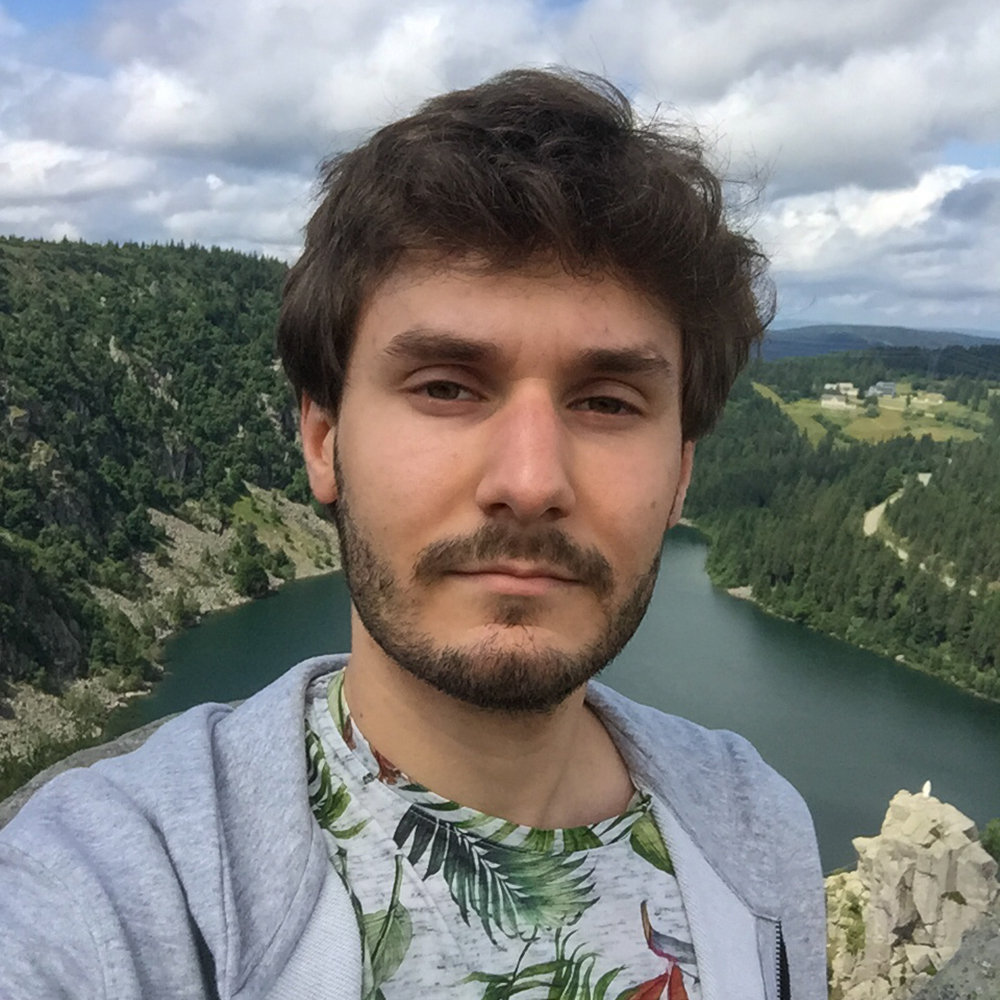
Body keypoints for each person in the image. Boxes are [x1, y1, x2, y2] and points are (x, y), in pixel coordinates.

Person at [0, 69, 825, 999]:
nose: (529, 483)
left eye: (606, 402)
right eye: (446, 387)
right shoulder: (113, 887)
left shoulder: (756, 828)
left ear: (680, 476)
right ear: (324, 441)